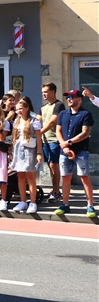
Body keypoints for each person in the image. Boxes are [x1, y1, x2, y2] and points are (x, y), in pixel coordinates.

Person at [54, 89, 95, 217]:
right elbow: (58, 131)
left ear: (79, 99)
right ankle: (65, 204)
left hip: (81, 151)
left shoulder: (85, 114)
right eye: (68, 97)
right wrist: (63, 145)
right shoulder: (63, 114)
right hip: (64, 151)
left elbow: (85, 133)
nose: (69, 99)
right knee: (65, 177)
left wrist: (69, 143)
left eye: (72, 97)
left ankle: (90, 206)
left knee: (84, 177)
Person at [10, 98, 42, 214]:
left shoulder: (34, 120)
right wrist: (11, 153)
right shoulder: (17, 121)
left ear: (27, 108)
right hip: (18, 150)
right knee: (20, 176)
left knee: (31, 177)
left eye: (21, 109)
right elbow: (14, 138)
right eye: (17, 109)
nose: (18, 111)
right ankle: (23, 201)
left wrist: (39, 153)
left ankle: (33, 202)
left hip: (30, 150)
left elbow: (39, 138)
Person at [39, 82, 66, 202]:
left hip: (54, 140)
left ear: (53, 92)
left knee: (53, 165)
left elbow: (52, 122)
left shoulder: (59, 105)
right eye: (43, 92)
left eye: (46, 92)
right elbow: (38, 120)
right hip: (45, 140)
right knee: (50, 166)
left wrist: (38, 133)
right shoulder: (43, 108)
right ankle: (54, 189)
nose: (44, 94)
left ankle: (56, 191)